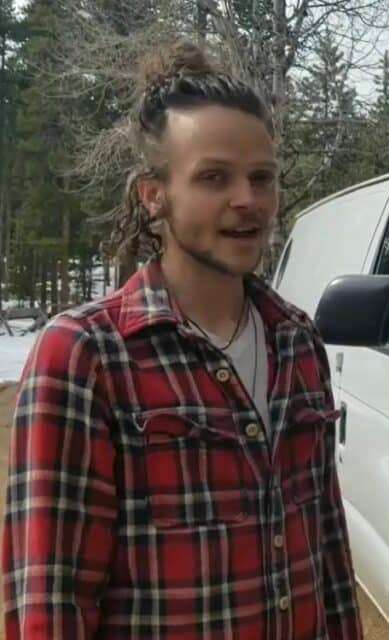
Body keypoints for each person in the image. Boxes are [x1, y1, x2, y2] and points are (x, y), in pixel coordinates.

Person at [2, 40, 362, 639]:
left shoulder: (297, 342)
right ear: (155, 194)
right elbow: (50, 596)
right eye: (214, 177)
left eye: (261, 177)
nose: (247, 200)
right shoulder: (87, 356)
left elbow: (327, 547)